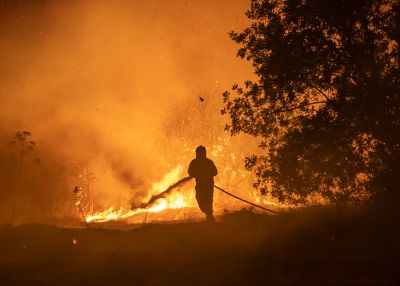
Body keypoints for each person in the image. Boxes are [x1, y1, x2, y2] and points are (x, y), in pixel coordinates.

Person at [188, 145, 218, 221]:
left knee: (208, 200)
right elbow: (190, 172)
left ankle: (210, 216)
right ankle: (208, 214)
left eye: (202, 153)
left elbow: (215, 172)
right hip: (200, 185)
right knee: (199, 199)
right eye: (199, 153)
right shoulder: (194, 162)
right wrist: (196, 173)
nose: (201, 155)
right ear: (197, 153)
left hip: (208, 185)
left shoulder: (209, 162)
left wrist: (208, 175)